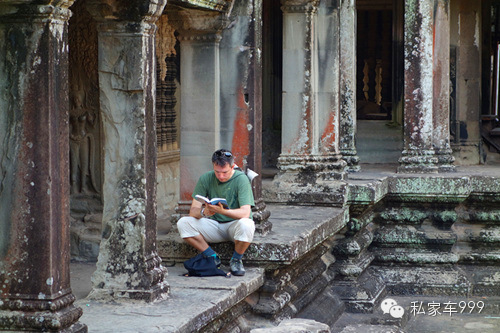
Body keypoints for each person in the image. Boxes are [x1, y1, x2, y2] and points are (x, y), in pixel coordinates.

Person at [177, 149, 255, 276]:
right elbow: (193, 211)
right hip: (213, 225)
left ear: (232, 166)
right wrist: (204, 212)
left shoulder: (241, 179)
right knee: (183, 223)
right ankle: (211, 256)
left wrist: (223, 211)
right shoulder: (206, 178)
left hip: (235, 226)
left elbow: (245, 213)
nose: (221, 176)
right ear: (213, 166)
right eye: (217, 172)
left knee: (247, 224)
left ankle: (236, 259)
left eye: (225, 172)